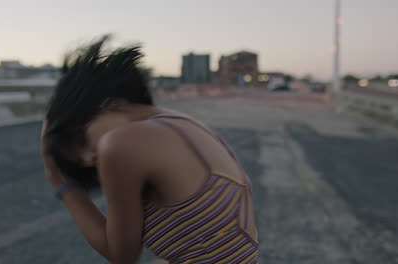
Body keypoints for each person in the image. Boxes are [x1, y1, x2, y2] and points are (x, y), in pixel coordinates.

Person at [40, 35, 259, 264]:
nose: (90, 157)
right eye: (81, 161)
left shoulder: (120, 144)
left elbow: (120, 255)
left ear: (104, 105)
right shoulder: (184, 123)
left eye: (80, 141)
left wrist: (58, 178)